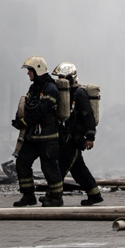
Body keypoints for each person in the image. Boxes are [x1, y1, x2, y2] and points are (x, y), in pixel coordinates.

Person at [11, 56, 64, 207]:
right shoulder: (34, 87)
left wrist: (24, 122)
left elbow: (42, 111)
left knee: (49, 167)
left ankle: (56, 198)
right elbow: (28, 105)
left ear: (38, 70)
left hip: (48, 138)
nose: (28, 73)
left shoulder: (50, 88)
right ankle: (28, 196)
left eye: (30, 70)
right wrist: (19, 120)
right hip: (33, 136)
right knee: (22, 162)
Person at [51, 63, 103, 206]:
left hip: (75, 139)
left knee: (61, 166)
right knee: (78, 170)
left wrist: (90, 137)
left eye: (62, 77)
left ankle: (52, 195)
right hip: (67, 137)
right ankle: (94, 194)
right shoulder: (65, 94)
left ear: (70, 77)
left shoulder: (80, 94)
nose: (59, 80)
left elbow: (88, 116)